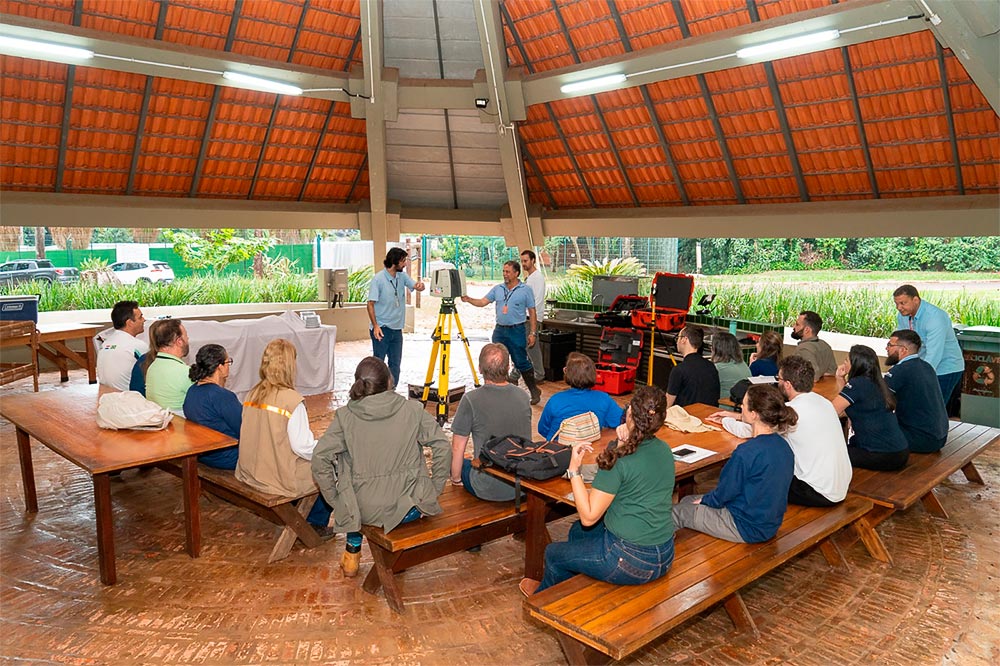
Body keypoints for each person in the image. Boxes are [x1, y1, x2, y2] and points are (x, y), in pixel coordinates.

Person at [521, 386, 675, 596]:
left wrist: (574, 470)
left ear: (629, 414)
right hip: (665, 553)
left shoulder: (618, 460)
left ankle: (543, 598)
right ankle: (577, 585)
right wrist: (621, 441)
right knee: (577, 532)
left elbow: (588, 517)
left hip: (630, 561)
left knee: (553, 553)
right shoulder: (665, 450)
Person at [312, 357, 451, 577]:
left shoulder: (345, 417)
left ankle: (352, 552)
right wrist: (435, 488)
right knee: (363, 482)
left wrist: (336, 501)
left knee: (351, 482)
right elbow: (442, 445)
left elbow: (320, 458)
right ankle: (396, 558)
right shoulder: (412, 410)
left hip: (363, 511)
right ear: (389, 381)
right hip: (409, 508)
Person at [708, 356, 851, 507]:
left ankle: (731, 509)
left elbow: (748, 430)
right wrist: (737, 416)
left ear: (787, 384)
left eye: (779, 378)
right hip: (839, 486)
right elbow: (764, 420)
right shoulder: (824, 402)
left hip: (816, 491)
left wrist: (724, 421)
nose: (778, 382)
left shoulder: (792, 412)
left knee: (757, 471)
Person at [673, 384, 796, 543]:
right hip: (769, 523)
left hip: (744, 526)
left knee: (677, 512)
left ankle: (658, 552)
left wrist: (706, 501)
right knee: (687, 501)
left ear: (753, 414)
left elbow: (724, 493)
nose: (741, 408)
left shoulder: (747, 452)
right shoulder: (784, 447)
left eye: (743, 405)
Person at [236, 339, 332, 536]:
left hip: (250, 470)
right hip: (277, 477)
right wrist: (327, 449)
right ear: (290, 365)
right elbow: (302, 447)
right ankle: (315, 523)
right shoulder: (292, 400)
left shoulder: (252, 393)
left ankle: (303, 515)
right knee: (332, 467)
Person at [450, 343, 530, 501]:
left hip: (487, 486)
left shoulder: (471, 399)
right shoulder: (523, 396)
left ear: (480, 369)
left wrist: (456, 479)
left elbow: (457, 447)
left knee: (452, 459)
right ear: (508, 368)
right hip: (522, 484)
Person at [461, 260, 541, 405]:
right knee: (496, 361)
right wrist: (469, 299)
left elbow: (532, 311)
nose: (505, 274)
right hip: (500, 330)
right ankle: (500, 391)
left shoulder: (525, 290)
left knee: (521, 361)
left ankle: (534, 390)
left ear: (516, 273)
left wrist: (533, 333)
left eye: (508, 272)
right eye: (503, 271)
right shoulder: (498, 289)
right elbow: (483, 302)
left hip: (517, 330)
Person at [832, 345, 909, 471]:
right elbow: (845, 406)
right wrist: (840, 378)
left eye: (846, 360)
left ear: (856, 364)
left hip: (883, 455)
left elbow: (832, 411)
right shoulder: (877, 382)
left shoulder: (857, 383)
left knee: (830, 453)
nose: (843, 363)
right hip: (899, 451)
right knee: (850, 444)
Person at [892, 284, 964, 403]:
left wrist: (918, 378)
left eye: (903, 303)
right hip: (922, 366)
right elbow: (902, 344)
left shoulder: (935, 317)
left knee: (934, 407)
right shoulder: (902, 316)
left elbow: (934, 354)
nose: (899, 307)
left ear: (916, 300)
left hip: (945, 368)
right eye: (896, 304)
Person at [367, 247, 425, 387]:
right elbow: (370, 304)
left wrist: (420, 286)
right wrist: (375, 326)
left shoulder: (402, 276)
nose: (405, 264)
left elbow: (415, 286)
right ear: (395, 261)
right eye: (403, 261)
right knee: (378, 364)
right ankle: (376, 391)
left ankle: (391, 390)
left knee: (395, 364)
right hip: (382, 329)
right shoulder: (378, 280)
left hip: (397, 329)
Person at [884, 329, 949, 453]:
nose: (886, 348)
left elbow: (876, 398)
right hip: (939, 437)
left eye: (890, 345)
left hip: (921, 439)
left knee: (869, 434)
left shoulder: (900, 371)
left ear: (903, 350)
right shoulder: (926, 366)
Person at [537, 352, 623, 441]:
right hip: (589, 446)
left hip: (558, 447)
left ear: (566, 373)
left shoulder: (555, 400)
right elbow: (619, 421)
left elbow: (542, 429)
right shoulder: (604, 398)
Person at [183, 344, 241, 470]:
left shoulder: (192, 390)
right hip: (227, 457)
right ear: (220, 367)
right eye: (228, 362)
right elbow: (243, 428)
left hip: (203, 454)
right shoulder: (222, 396)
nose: (229, 366)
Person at [509, 249, 546, 385]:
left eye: (526, 261)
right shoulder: (530, 278)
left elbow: (537, 300)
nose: (523, 264)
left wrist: (531, 318)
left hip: (531, 319)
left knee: (529, 348)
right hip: (524, 317)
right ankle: (518, 374)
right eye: (522, 261)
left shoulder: (537, 278)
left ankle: (535, 374)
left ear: (533, 260)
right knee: (524, 348)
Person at [143, 318, 192, 416]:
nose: (188, 339)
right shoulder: (185, 372)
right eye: (186, 336)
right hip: (181, 422)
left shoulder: (152, 367)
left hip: (161, 421)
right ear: (179, 341)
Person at [97, 300, 148, 391]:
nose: (144, 320)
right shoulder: (137, 346)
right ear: (129, 323)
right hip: (129, 396)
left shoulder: (105, 344)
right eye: (140, 317)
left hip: (107, 395)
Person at [666, 325, 719, 408]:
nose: (677, 342)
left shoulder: (679, 370)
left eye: (678, 338)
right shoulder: (710, 366)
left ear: (684, 340)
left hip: (686, 414)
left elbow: (668, 403)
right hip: (708, 413)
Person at [790, 310, 837, 380]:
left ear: (807, 330)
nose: (793, 327)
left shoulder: (803, 349)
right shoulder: (825, 345)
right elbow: (832, 372)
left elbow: (814, 376)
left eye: (797, 324)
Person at [710, 331, 750, 403]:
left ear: (716, 349)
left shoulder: (717, 368)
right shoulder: (743, 364)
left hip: (723, 406)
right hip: (740, 406)